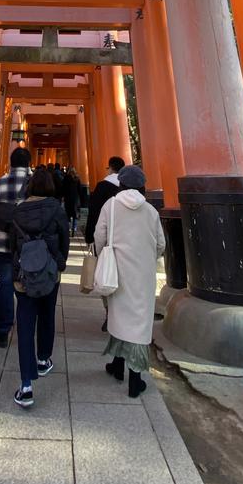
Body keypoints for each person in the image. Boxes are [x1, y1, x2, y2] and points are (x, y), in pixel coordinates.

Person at [94, 164, 165, 398]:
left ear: (121, 184)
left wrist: (103, 253)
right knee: (139, 322)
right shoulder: (151, 211)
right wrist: (147, 258)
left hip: (117, 270)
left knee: (118, 316)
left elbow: (99, 235)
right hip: (143, 273)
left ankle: (124, 370)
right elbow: (160, 245)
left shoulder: (111, 206)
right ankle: (129, 374)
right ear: (142, 186)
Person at [10, 165, 70, 408]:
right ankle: (44, 359)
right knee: (47, 314)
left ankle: (26, 385)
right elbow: (64, 239)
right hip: (48, 273)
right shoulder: (57, 209)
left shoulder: (18, 211)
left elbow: (12, 245)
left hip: (24, 275)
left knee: (25, 326)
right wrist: (60, 264)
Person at [0, 146, 32, 347]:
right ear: (29, 163)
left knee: (4, 284)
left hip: (4, 244)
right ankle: (27, 328)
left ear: (11, 163)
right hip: (30, 246)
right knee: (29, 285)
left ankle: (2, 330)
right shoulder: (35, 184)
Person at [85, 155, 124, 247]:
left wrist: (89, 236)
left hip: (104, 229)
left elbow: (94, 211)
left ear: (110, 168)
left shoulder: (102, 186)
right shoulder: (126, 187)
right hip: (122, 232)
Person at [62, 166, 82, 237]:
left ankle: (68, 227)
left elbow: (63, 188)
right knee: (75, 213)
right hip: (75, 198)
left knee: (67, 213)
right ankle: (74, 227)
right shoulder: (77, 178)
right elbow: (80, 189)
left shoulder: (66, 178)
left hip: (68, 198)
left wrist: (63, 196)